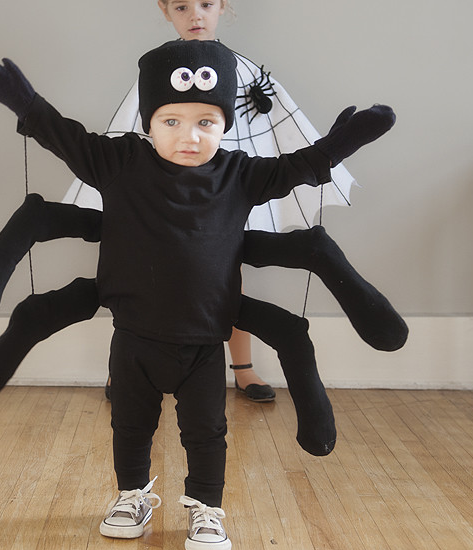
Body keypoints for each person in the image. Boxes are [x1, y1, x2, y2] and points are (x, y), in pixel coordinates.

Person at [0, 39, 398, 550]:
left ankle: (207, 508)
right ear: (148, 121)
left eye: (206, 122)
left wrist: (347, 140)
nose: (189, 136)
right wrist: (25, 103)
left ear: (224, 125)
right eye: (172, 121)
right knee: (130, 424)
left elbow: (299, 167)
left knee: (207, 432)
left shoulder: (240, 173)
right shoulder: (117, 161)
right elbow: (64, 137)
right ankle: (131, 496)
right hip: (134, 337)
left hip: (204, 341)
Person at [65, 0, 357, 402]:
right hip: (159, 192)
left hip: (230, 183)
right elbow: (134, 134)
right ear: (166, 11)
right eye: (182, 7)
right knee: (137, 267)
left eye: (206, 4)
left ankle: (242, 367)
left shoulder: (243, 72)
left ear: (223, 7)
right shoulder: (157, 73)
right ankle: (123, 366)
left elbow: (273, 128)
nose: (195, 16)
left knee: (223, 271)